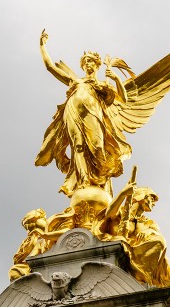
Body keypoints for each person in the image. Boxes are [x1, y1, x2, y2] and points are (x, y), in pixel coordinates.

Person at [35, 30, 132, 197]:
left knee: (98, 147)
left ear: (97, 64)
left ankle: (101, 181)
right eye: (85, 61)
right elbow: (50, 67)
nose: (88, 64)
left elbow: (123, 98)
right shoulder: (76, 82)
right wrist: (42, 46)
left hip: (94, 115)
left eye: (91, 61)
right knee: (78, 146)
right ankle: (84, 180)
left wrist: (115, 79)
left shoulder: (102, 85)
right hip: (72, 113)